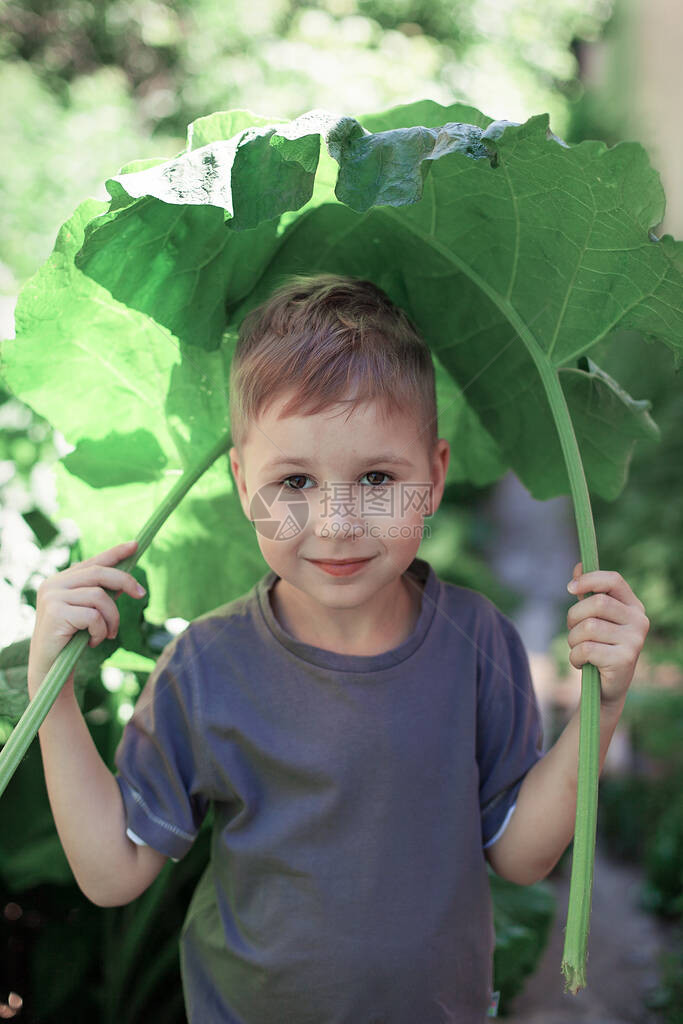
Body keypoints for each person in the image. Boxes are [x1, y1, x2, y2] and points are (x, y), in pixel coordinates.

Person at [27, 274, 650, 1023]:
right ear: (239, 480)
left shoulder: (478, 641)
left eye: (378, 479)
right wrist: (52, 695)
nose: (336, 523)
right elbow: (114, 872)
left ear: (436, 476)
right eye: (293, 482)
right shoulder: (207, 665)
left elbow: (520, 855)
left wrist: (601, 708)